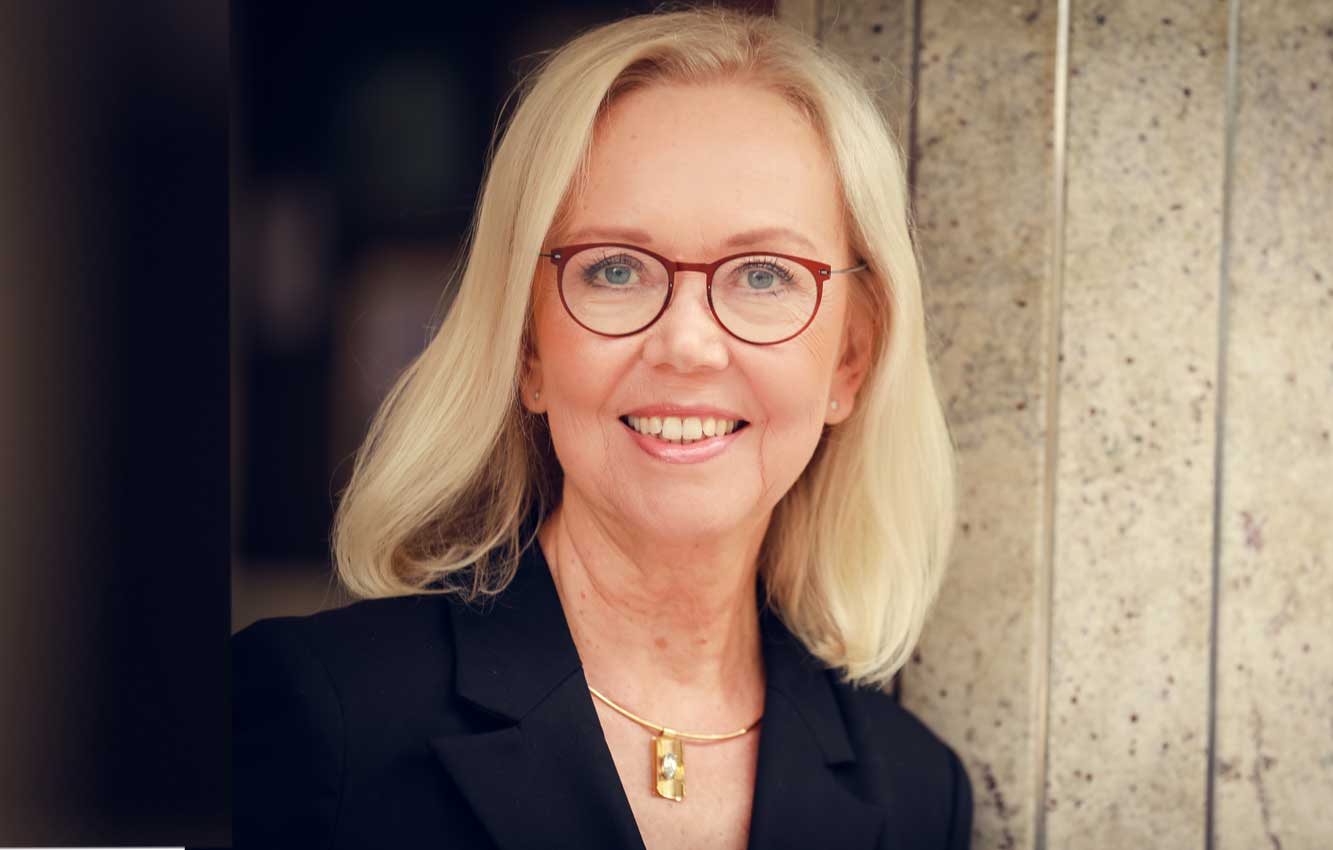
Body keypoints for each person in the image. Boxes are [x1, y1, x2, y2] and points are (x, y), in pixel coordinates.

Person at [232, 8, 968, 849]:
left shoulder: (919, 795)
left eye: (764, 274)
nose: (687, 344)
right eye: (615, 268)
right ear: (528, 348)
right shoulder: (317, 718)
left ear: (850, 359)